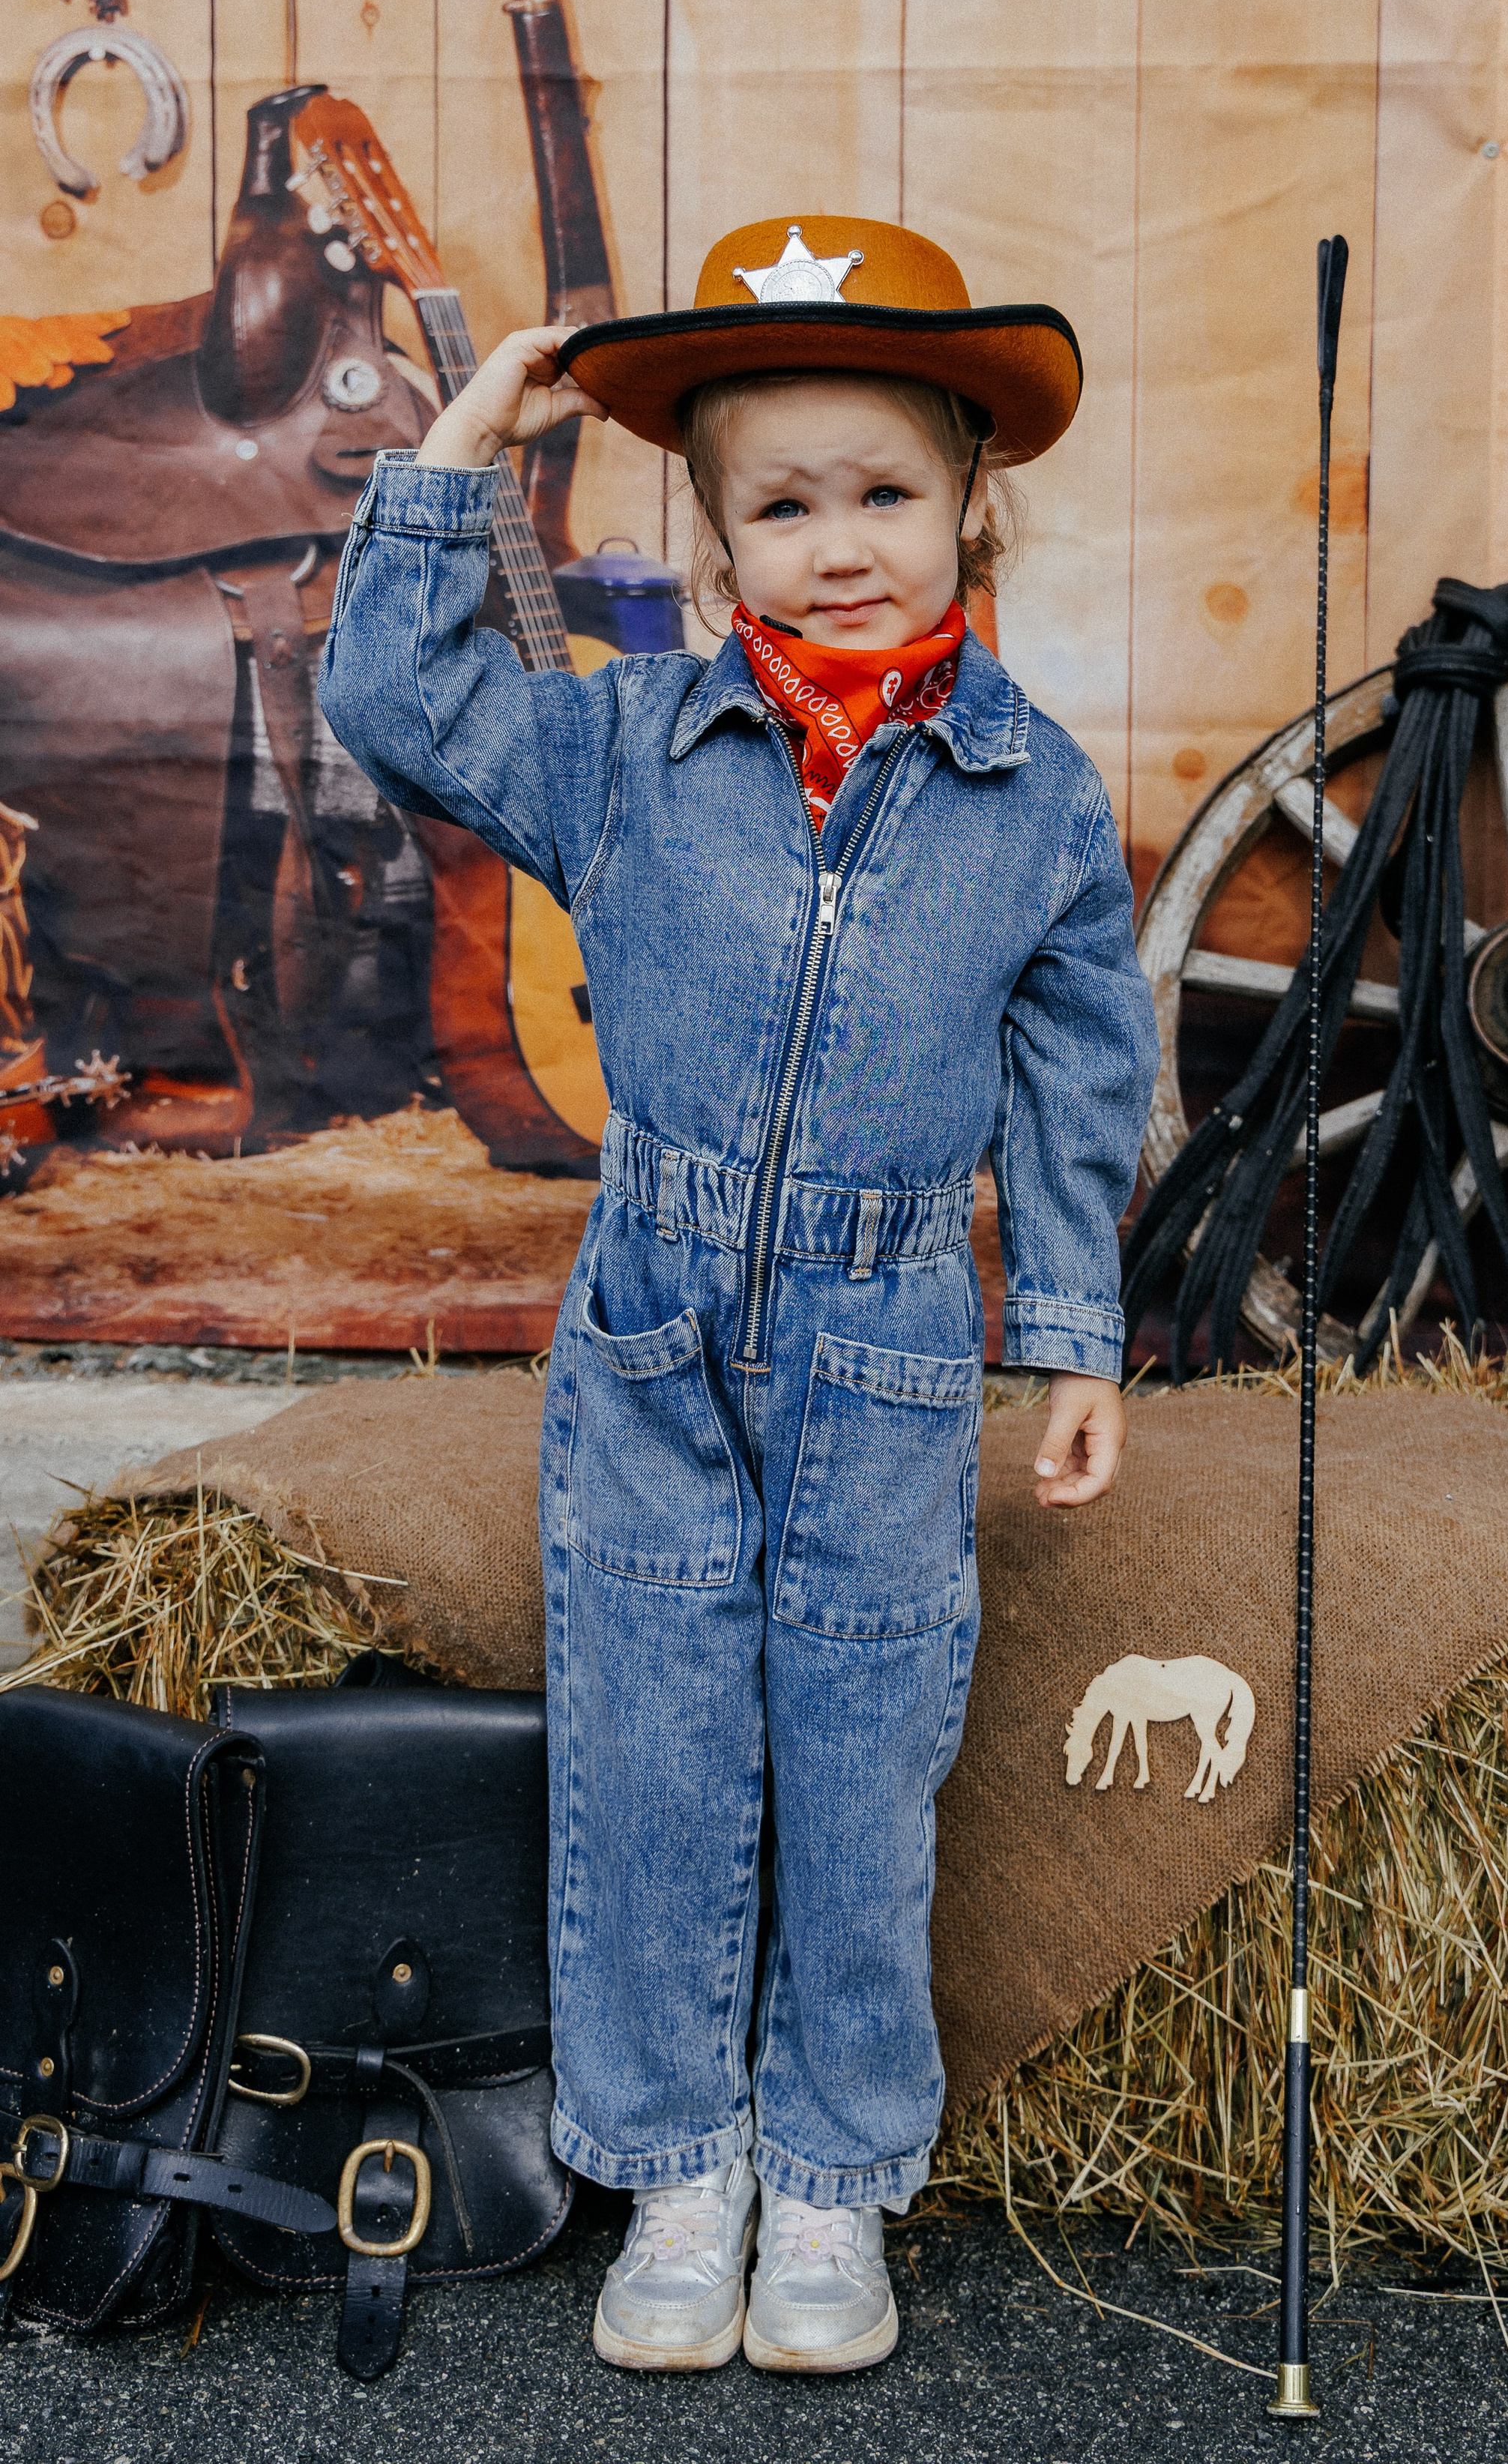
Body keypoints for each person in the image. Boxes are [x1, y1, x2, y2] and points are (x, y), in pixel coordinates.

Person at [319, 215, 1158, 2377]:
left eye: (883, 492)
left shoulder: (1032, 796)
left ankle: (836, 2181)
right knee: (654, 1743)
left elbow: (1082, 1076)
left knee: (864, 1750)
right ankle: (677, 2171)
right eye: (781, 507)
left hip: (892, 1336)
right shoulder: (621, 748)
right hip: (654, 1324)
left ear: (973, 498)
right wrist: (456, 458)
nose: (839, 546)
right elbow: (398, 700)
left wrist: (1074, 1331)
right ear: (713, 537)